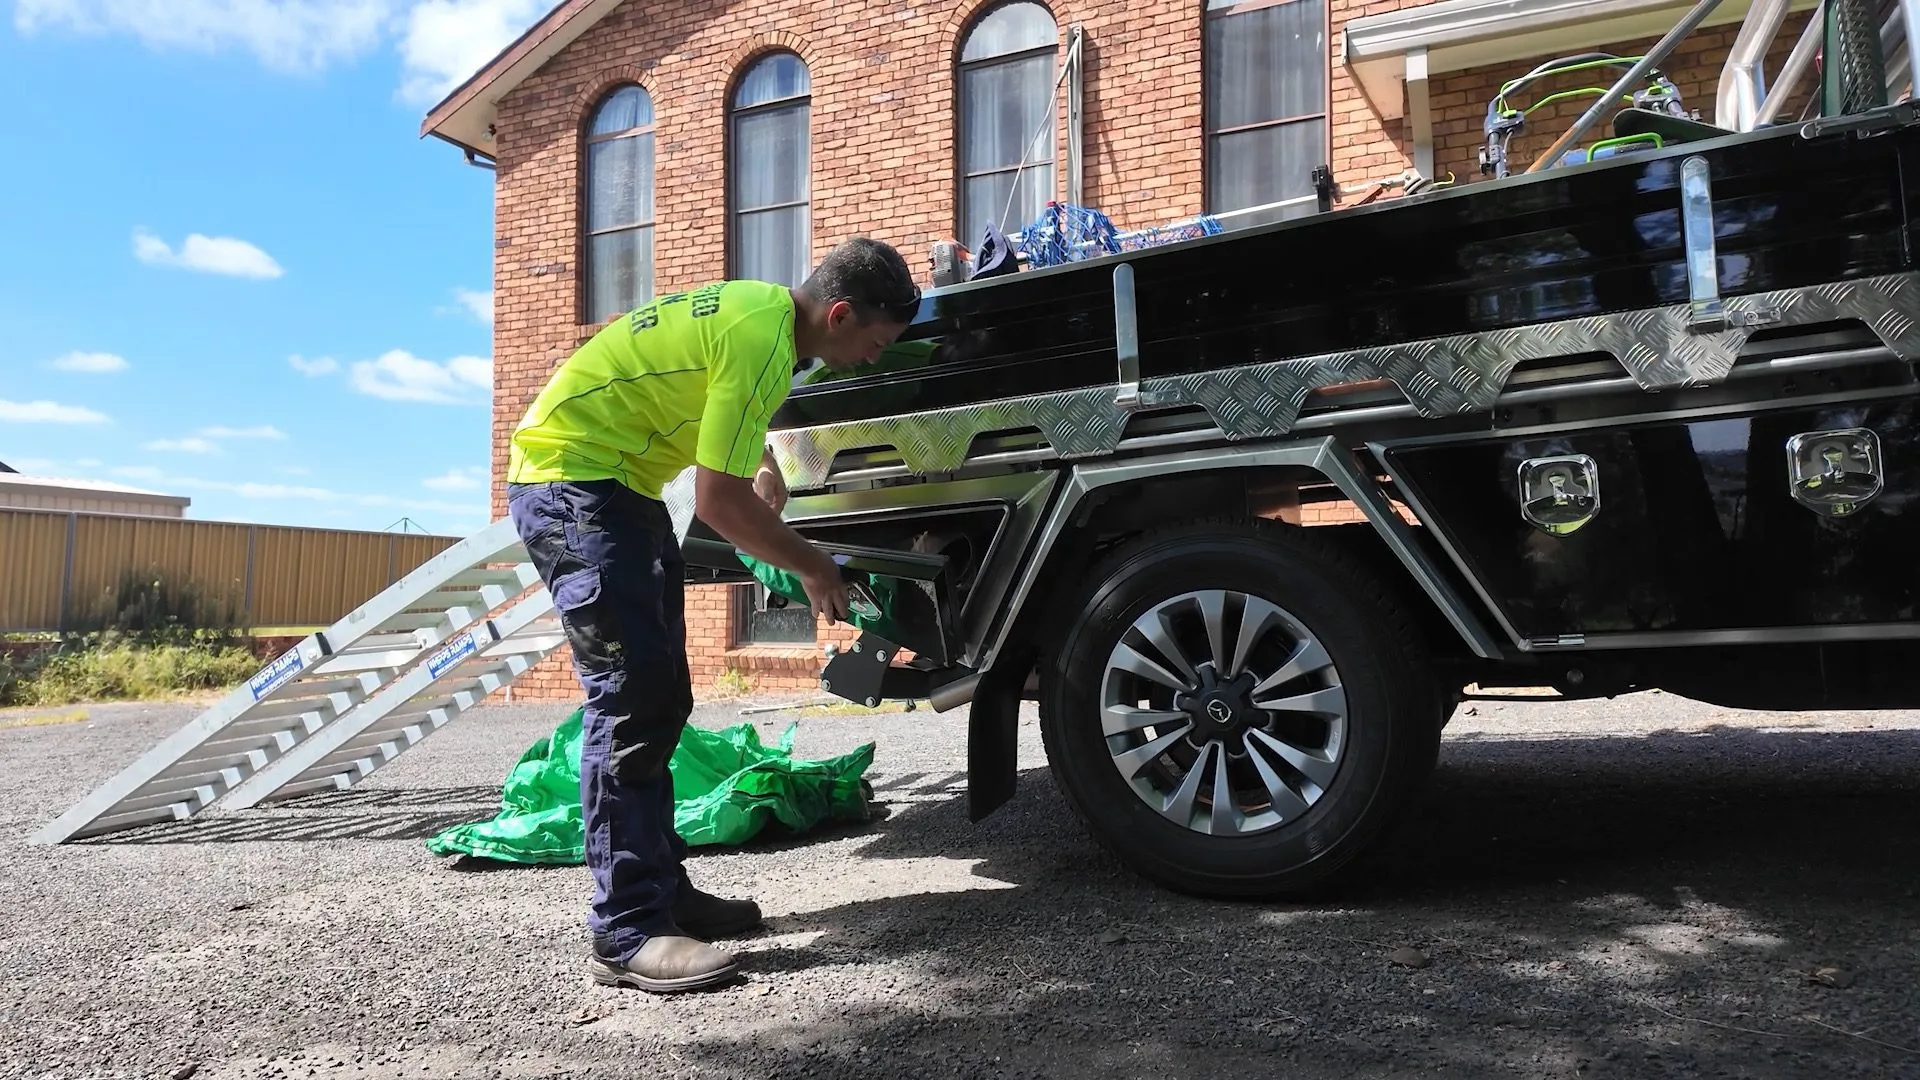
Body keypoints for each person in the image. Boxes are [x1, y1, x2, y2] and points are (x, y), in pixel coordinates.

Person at [503, 237, 923, 994]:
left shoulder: (765, 321)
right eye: (876, 341)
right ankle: (628, 929)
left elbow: (712, 407)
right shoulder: (763, 338)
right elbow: (718, 504)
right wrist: (813, 565)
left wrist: (760, 459)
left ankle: (664, 893)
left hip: (617, 484)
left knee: (664, 698)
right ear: (839, 314)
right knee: (630, 704)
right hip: (575, 485)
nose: (873, 356)